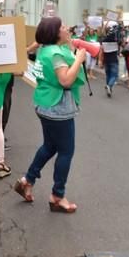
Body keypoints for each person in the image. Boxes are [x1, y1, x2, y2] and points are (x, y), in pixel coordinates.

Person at [13, 16, 86, 213]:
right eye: (62, 26)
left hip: (45, 105)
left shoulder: (46, 49)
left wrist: (70, 43)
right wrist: (79, 59)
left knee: (49, 146)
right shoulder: (55, 54)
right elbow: (65, 81)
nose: (66, 27)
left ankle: (27, 180)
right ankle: (57, 196)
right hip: (58, 109)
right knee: (66, 151)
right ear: (55, 33)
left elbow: (64, 52)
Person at [99, 20, 121, 97]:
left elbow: (101, 51)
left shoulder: (103, 40)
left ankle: (108, 86)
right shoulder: (115, 39)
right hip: (114, 59)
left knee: (108, 74)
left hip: (106, 59)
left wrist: (100, 61)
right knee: (114, 75)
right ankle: (109, 86)